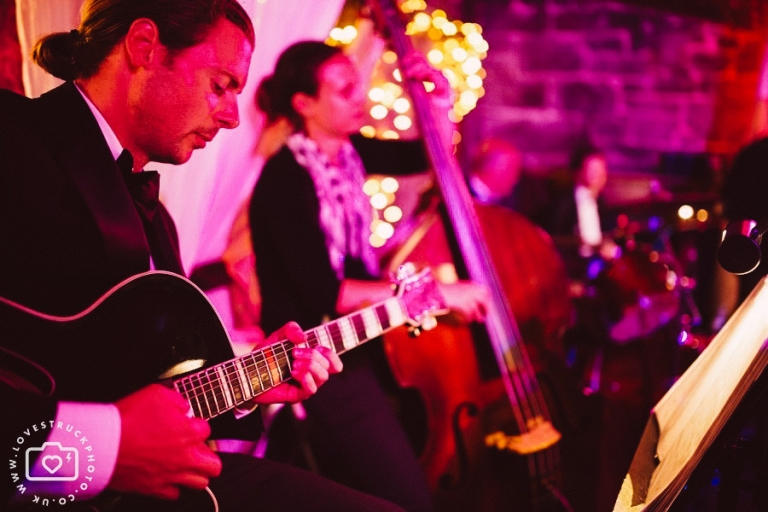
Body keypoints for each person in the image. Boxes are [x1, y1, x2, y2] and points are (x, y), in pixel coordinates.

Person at [0, 2, 405, 511]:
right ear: (144, 46)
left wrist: (249, 377)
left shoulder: (158, 222)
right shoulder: (12, 140)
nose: (235, 117)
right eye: (220, 85)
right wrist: (105, 448)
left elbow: (133, 388)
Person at [248, 41, 490, 512]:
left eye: (355, 87)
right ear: (304, 104)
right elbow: (330, 294)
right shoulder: (284, 179)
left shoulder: (348, 152)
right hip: (318, 357)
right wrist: (435, 294)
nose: (359, 98)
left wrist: (439, 100)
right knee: (408, 497)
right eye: (343, 91)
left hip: (363, 341)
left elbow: (428, 156)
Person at [467, 138, 550, 226]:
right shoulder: (460, 195)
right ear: (489, 168)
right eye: (512, 170)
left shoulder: (522, 203)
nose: (516, 179)